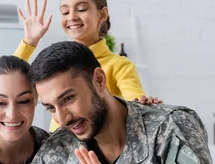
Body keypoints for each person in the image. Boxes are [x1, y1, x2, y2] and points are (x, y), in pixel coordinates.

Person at [17, 41, 215, 164]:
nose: (62, 119)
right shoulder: (57, 150)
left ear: (99, 80)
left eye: (68, 99)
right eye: (51, 108)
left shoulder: (169, 129)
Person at [13, 0, 156, 132]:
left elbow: (134, 101)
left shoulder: (119, 66)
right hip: (59, 151)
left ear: (102, 14)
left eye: (81, 9)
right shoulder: (54, 65)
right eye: (65, 12)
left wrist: (143, 103)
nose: (72, 17)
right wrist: (29, 41)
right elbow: (7, 82)